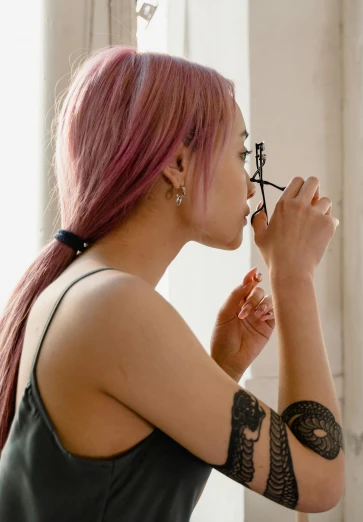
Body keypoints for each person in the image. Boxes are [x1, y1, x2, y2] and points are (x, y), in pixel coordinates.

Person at [0, 46, 344, 519]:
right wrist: (293, 275)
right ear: (177, 164)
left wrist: (222, 367)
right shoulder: (111, 307)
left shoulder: (83, 290)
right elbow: (320, 482)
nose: (250, 185)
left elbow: (131, 493)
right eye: (241, 153)